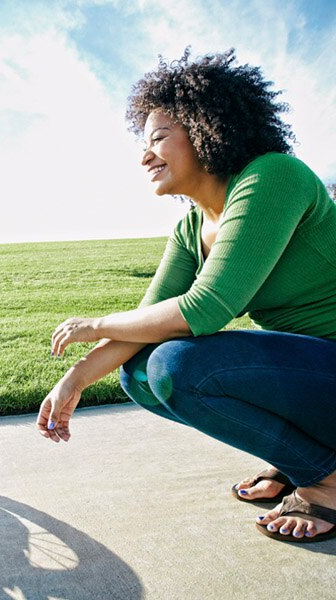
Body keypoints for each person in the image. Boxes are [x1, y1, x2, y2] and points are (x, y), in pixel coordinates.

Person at [37, 49, 336, 544]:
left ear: (206, 129)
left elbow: (205, 308)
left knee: (180, 366)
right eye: (144, 141)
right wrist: (75, 379)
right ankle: (302, 461)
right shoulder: (191, 227)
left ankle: (325, 482)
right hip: (316, 377)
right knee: (139, 372)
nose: (145, 155)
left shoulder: (273, 177)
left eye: (158, 138)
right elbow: (146, 320)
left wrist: (93, 324)